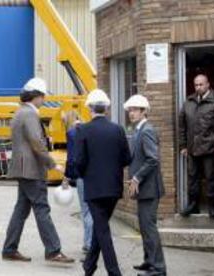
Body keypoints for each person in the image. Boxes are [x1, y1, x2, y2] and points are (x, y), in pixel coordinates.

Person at [2, 77, 74, 264]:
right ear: (35, 96)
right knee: (42, 208)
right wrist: (52, 164)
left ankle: (9, 248)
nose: (43, 100)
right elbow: (36, 142)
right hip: (32, 170)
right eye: (42, 96)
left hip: (23, 169)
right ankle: (53, 250)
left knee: (21, 210)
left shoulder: (20, 112)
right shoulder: (30, 114)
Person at [75, 89, 131, 276]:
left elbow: (78, 161)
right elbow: (126, 159)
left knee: (103, 231)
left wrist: (85, 174)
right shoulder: (118, 129)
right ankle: (89, 266)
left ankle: (114, 272)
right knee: (101, 227)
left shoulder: (83, 130)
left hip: (93, 189)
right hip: (114, 188)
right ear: (106, 109)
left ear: (90, 108)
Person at [179, 74, 214, 218]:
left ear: (208, 84)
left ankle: (212, 206)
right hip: (192, 147)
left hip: (210, 147)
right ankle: (193, 205)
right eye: (196, 85)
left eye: (201, 84)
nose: (198, 87)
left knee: (211, 177)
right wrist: (183, 145)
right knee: (192, 178)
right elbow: (182, 126)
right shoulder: (189, 102)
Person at [124, 95, 166, 276]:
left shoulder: (146, 130)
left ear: (144, 111)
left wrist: (137, 178)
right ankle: (149, 262)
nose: (131, 113)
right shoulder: (139, 130)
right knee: (144, 227)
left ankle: (158, 268)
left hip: (149, 188)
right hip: (145, 189)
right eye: (130, 110)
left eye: (135, 110)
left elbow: (153, 159)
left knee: (149, 228)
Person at [64, 115, 93, 254]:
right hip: (96, 175)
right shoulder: (91, 130)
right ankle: (92, 241)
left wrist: (67, 176)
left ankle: (88, 243)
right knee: (95, 210)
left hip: (82, 175)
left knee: (86, 210)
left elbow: (71, 157)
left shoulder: (71, 133)